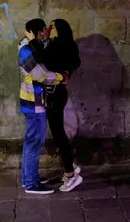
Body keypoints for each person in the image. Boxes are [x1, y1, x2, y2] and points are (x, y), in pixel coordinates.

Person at [31, 19, 83, 192]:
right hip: (58, 92)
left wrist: (33, 41)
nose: (48, 29)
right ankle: (71, 168)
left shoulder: (58, 44)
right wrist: (67, 72)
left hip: (55, 94)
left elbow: (42, 59)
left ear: (58, 29)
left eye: (51, 26)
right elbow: (76, 62)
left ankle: (70, 174)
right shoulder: (66, 43)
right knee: (59, 133)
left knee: (59, 134)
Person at [18, 18, 64, 194]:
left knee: (32, 141)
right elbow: (42, 76)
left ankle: (28, 178)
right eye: (44, 30)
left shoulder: (32, 48)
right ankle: (30, 184)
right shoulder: (26, 51)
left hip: (34, 101)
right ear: (36, 32)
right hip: (34, 102)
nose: (46, 33)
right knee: (35, 141)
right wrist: (61, 78)